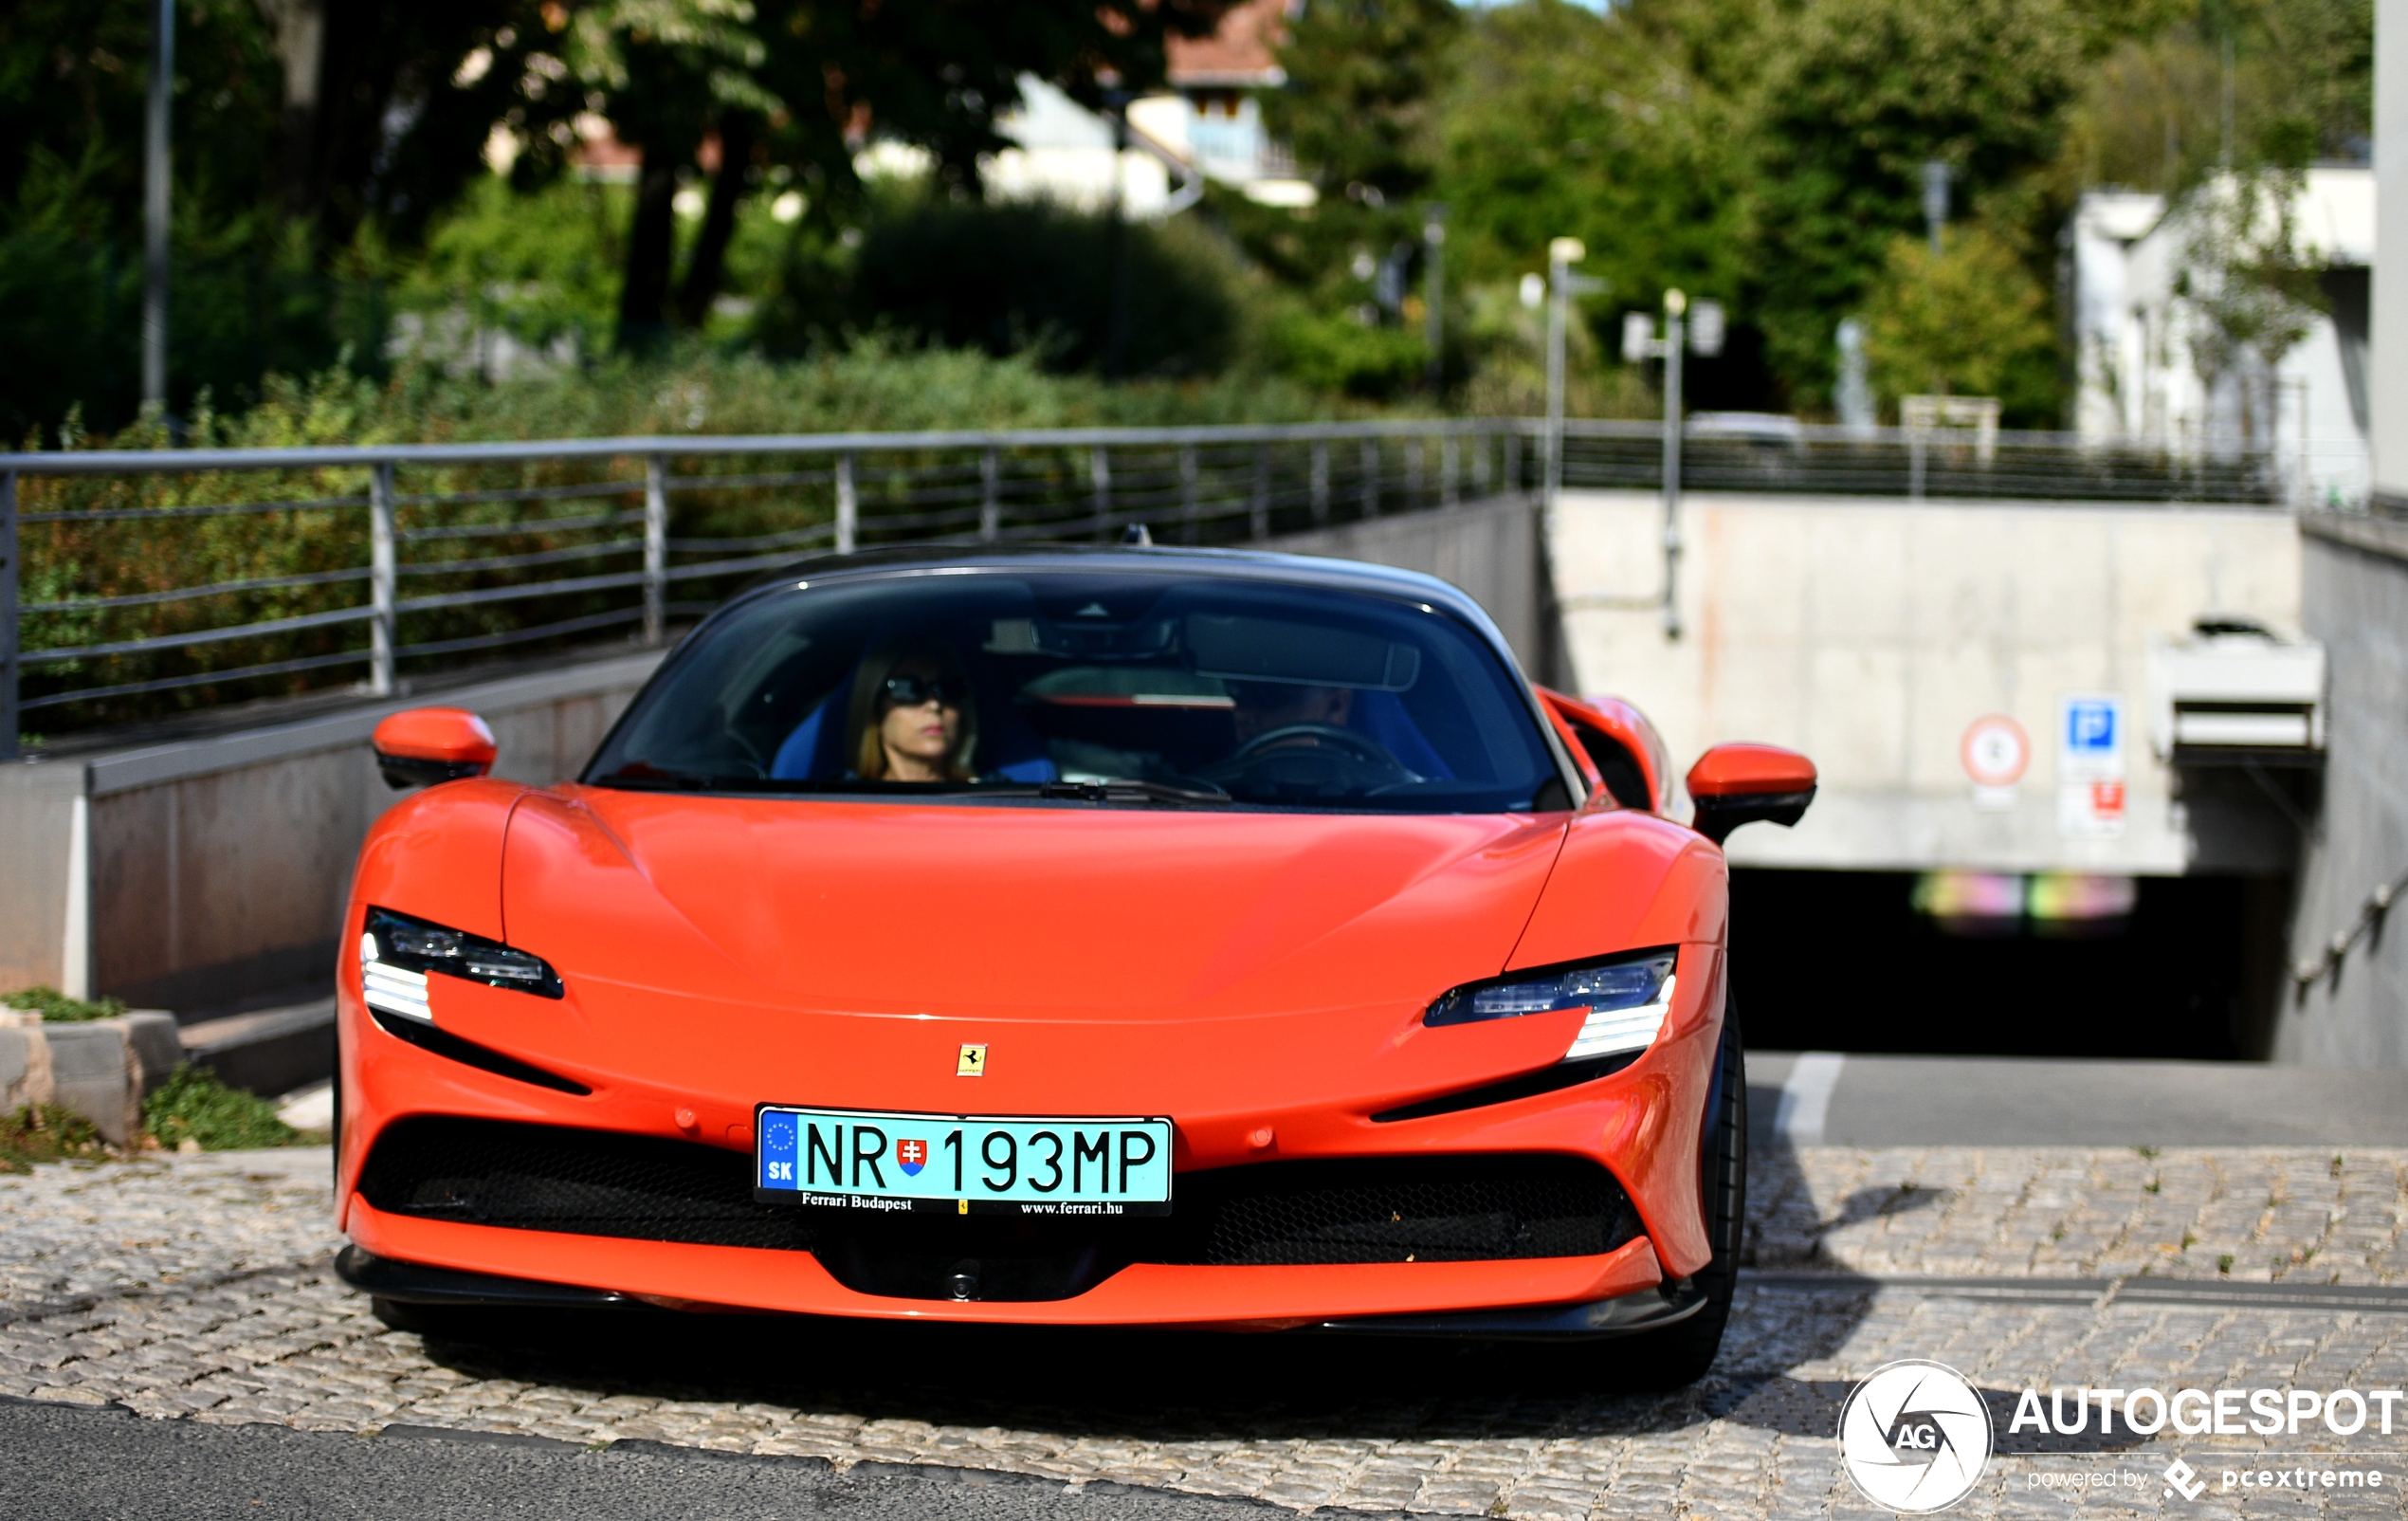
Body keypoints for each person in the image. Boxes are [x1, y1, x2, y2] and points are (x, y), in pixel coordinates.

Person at [844, 643, 979, 781]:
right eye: (909, 690)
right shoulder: (842, 797)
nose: (934, 705)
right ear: (875, 711)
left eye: (950, 688)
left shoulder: (991, 796)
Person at [1227, 680, 1354, 748]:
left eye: (1268, 694)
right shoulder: (1216, 786)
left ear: (1337, 705)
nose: (1241, 713)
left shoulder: (1368, 791)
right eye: (1235, 691)